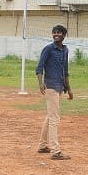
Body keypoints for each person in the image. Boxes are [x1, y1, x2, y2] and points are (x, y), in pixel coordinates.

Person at [36, 24, 73, 160]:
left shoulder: (65, 50)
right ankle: (56, 151)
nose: (56, 34)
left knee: (50, 116)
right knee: (54, 119)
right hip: (50, 86)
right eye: (54, 32)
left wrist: (69, 89)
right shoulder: (48, 49)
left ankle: (42, 145)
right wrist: (41, 83)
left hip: (59, 87)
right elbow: (39, 68)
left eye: (59, 33)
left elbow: (66, 71)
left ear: (64, 35)